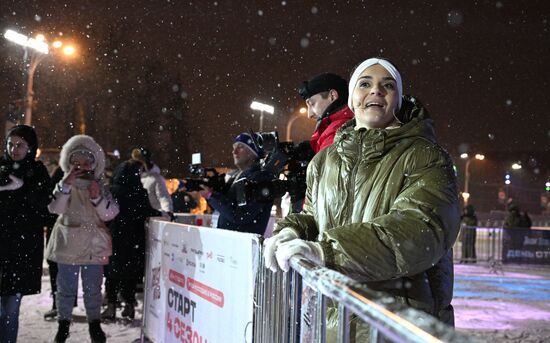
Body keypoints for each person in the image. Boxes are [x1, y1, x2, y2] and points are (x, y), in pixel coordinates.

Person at [264, 58, 460, 338]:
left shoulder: (426, 156)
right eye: (365, 84)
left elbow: (422, 229)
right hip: (336, 320)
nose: (376, 91)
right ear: (352, 99)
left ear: (398, 99)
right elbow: (315, 216)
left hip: (398, 323)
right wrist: (292, 230)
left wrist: (326, 252)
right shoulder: (325, 161)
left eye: (387, 85)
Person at [45, 134, 119, 343]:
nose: (82, 166)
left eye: (87, 162)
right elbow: (54, 208)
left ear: (94, 163)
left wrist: (97, 197)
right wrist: (65, 186)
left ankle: (94, 324)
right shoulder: (64, 183)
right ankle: (63, 324)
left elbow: (110, 213)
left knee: (93, 289)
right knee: (65, 288)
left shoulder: (100, 184)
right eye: (77, 161)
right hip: (68, 243)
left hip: (94, 246)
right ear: (69, 161)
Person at [0, 125, 52, 343]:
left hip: (21, 250)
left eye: (20, 144)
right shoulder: (1, 168)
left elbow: (46, 208)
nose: (15, 149)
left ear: (30, 147)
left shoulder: (37, 172)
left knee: (11, 309)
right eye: (11, 144)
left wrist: (22, 188)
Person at [102, 158, 160, 321]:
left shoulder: (112, 190)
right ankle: (128, 304)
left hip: (114, 236)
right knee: (129, 273)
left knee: (112, 273)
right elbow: (147, 211)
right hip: (134, 237)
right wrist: (162, 214)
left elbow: (105, 214)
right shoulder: (139, 191)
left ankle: (111, 305)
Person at [195, 132, 276, 235]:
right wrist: (213, 190)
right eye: (234, 147)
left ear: (253, 153)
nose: (234, 151)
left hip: (243, 245)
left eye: (240, 147)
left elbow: (240, 215)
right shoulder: (236, 176)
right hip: (230, 241)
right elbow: (225, 208)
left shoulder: (260, 178)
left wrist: (211, 196)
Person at [298, 72, 354, 154]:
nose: (309, 114)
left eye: (312, 104)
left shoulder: (336, 133)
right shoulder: (349, 124)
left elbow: (327, 167)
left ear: (332, 96)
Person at [130, 147, 173, 218]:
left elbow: (163, 197)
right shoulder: (134, 179)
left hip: (154, 217)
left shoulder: (156, 179)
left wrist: (167, 214)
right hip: (139, 218)